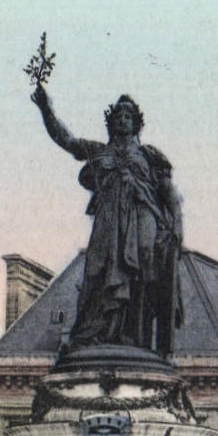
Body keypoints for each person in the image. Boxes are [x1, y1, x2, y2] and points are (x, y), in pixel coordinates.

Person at [31, 82, 182, 355]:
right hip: (109, 219)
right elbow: (67, 140)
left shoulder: (149, 156)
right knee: (96, 270)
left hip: (143, 213)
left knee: (144, 267)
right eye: (118, 116)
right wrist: (46, 109)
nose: (122, 120)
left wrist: (177, 226)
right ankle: (95, 332)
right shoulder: (99, 151)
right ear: (111, 123)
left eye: (128, 116)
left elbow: (170, 194)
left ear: (136, 123)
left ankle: (136, 335)